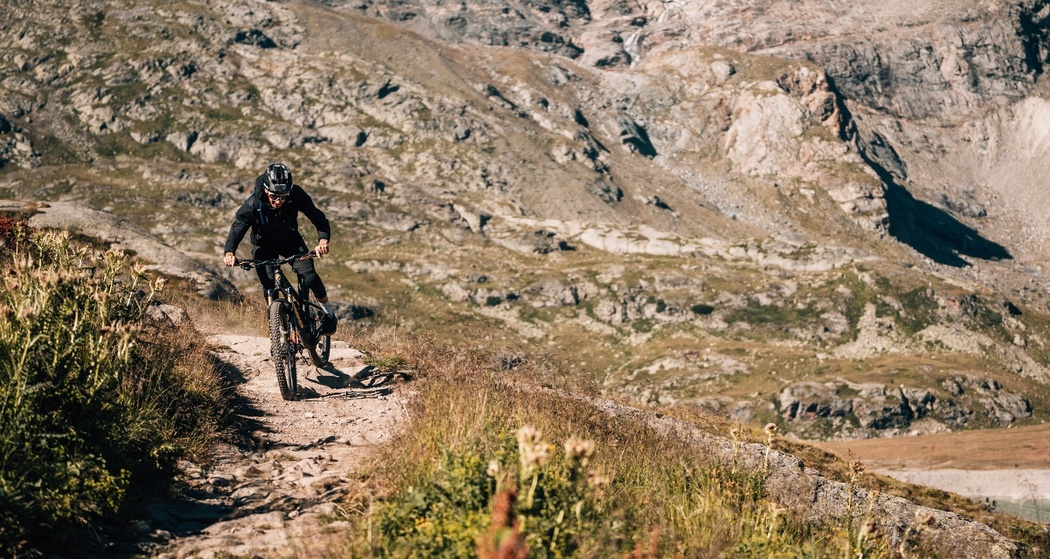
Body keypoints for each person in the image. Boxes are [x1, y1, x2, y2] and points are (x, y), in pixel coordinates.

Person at [223, 163, 335, 321]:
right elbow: (237, 230)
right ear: (266, 189)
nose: (278, 201)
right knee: (269, 285)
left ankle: (327, 311)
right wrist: (229, 253)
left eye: (283, 196)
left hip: (291, 241)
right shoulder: (253, 205)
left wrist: (323, 241)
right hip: (263, 246)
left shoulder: (296, 194)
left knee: (309, 277)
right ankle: (275, 326)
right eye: (274, 196)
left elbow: (318, 218)